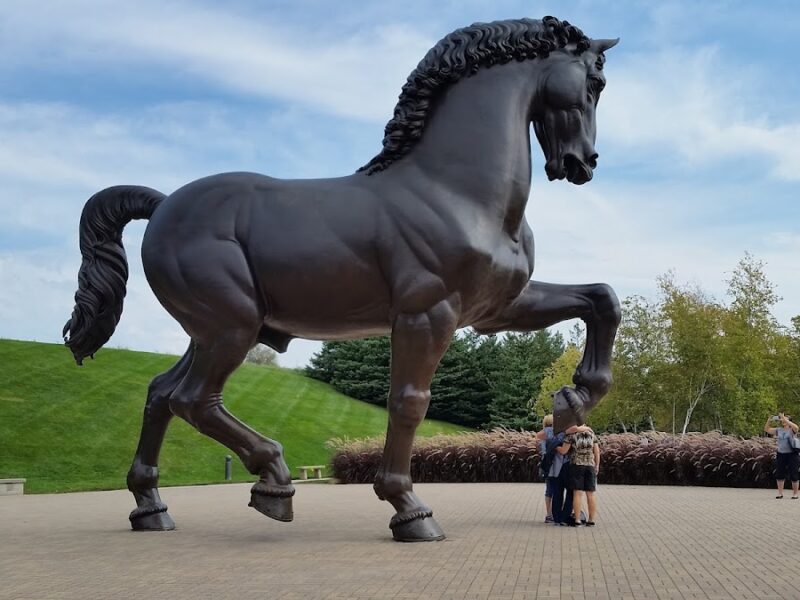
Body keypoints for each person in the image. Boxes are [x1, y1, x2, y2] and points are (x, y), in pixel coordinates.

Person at [561, 426, 600, 526]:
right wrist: (597, 465)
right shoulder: (591, 433)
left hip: (577, 465)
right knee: (590, 494)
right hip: (590, 465)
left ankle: (577, 519)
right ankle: (591, 520)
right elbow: (596, 451)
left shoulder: (571, 434)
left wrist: (555, 447)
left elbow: (564, 451)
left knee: (577, 494)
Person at [764, 413, 799, 499]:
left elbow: (796, 427)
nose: (782, 420)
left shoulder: (792, 430)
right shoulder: (779, 429)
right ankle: (780, 493)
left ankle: (795, 494)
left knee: (794, 474)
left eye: (785, 419)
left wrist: (785, 419)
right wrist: (769, 420)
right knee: (780, 474)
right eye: (782, 419)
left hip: (792, 454)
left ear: (789, 421)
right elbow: (767, 429)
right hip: (781, 454)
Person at [535, 415, 555, 522]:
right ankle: (557, 512)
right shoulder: (557, 431)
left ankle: (549, 514)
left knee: (549, 490)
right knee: (558, 489)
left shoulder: (542, 433)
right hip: (557, 463)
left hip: (547, 464)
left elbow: (542, 449)